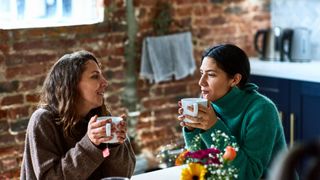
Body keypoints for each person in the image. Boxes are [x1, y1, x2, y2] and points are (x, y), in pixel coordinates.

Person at [177, 44, 287, 180]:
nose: (201, 82)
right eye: (201, 73)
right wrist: (191, 129)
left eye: (211, 74)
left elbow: (248, 175)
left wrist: (213, 126)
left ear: (235, 80)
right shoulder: (208, 103)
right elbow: (202, 165)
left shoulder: (262, 110)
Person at [20, 50, 136, 179]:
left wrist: (114, 144)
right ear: (71, 84)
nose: (105, 82)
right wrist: (90, 145)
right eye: (95, 76)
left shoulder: (100, 118)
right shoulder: (43, 120)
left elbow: (124, 175)